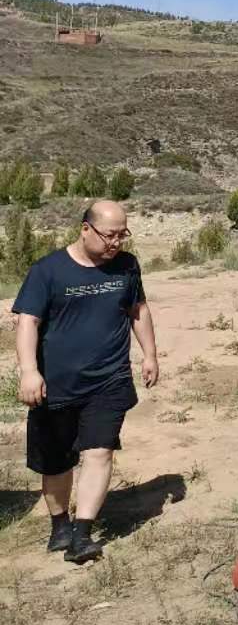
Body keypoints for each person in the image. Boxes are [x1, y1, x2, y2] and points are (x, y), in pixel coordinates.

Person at [11, 199, 159, 563]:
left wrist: (150, 355)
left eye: (122, 235)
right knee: (57, 461)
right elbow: (27, 321)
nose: (116, 243)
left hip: (108, 379)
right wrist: (29, 371)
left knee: (99, 451)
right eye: (109, 235)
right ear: (85, 229)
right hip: (55, 384)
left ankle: (83, 533)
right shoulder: (48, 270)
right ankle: (60, 525)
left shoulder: (126, 266)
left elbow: (137, 309)